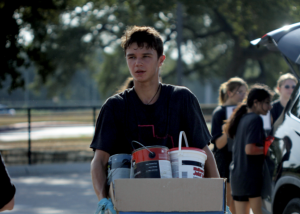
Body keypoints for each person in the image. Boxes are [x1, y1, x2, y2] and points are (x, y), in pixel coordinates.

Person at [90, 26, 220, 214]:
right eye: (132, 57)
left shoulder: (182, 98)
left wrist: (217, 200)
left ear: (161, 60)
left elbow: (204, 152)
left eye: (146, 56)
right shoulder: (114, 106)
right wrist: (103, 200)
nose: (138, 63)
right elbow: (99, 161)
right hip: (130, 204)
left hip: (180, 202)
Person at [224, 84, 273, 214]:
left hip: (237, 177)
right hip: (250, 177)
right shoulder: (256, 119)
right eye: (267, 103)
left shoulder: (242, 118)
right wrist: (267, 150)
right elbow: (249, 149)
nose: (270, 107)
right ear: (256, 103)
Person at [211, 77, 248, 214]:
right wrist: (231, 125)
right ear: (229, 92)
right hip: (225, 162)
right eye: (240, 92)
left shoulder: (245, 112)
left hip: (241, 161)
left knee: (242, 204)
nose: (243, 96)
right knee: (226, 203)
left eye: (245, 93)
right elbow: (219, 144)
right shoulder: (219, 112)